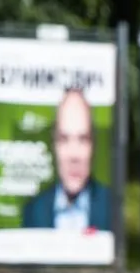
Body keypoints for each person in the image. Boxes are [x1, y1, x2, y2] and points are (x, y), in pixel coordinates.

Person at [22, 87, 112, 232]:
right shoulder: (33, 211)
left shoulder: (112, 207)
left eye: (83, 139)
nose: (74, 155)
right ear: (54, 146)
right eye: (64, 139)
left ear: (93, 145)